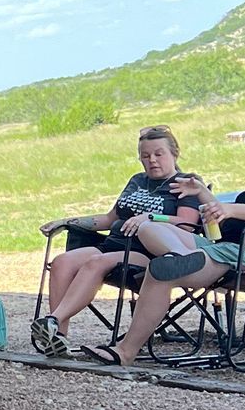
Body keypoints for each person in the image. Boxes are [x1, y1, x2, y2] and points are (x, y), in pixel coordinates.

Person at [84, 118, 245, 366]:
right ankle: (180, 255)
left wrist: (233, 209)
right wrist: (201, 192)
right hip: (225, 248)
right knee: (148, 227)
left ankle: (125, 351)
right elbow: (224, 215)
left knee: (159, 271)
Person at [31, 126, 206, 356]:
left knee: (96, 262)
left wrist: (151, 218)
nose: (152, 160)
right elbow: (109, 219)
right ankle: (58, 338)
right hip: (113, 244)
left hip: (150, 252)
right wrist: (66, 221)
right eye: (145, 156)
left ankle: (52, 320)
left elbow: (186, 224)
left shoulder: (185, 183)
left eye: (158, 153)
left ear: (174, 153)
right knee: (62, 261)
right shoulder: (137, 181)